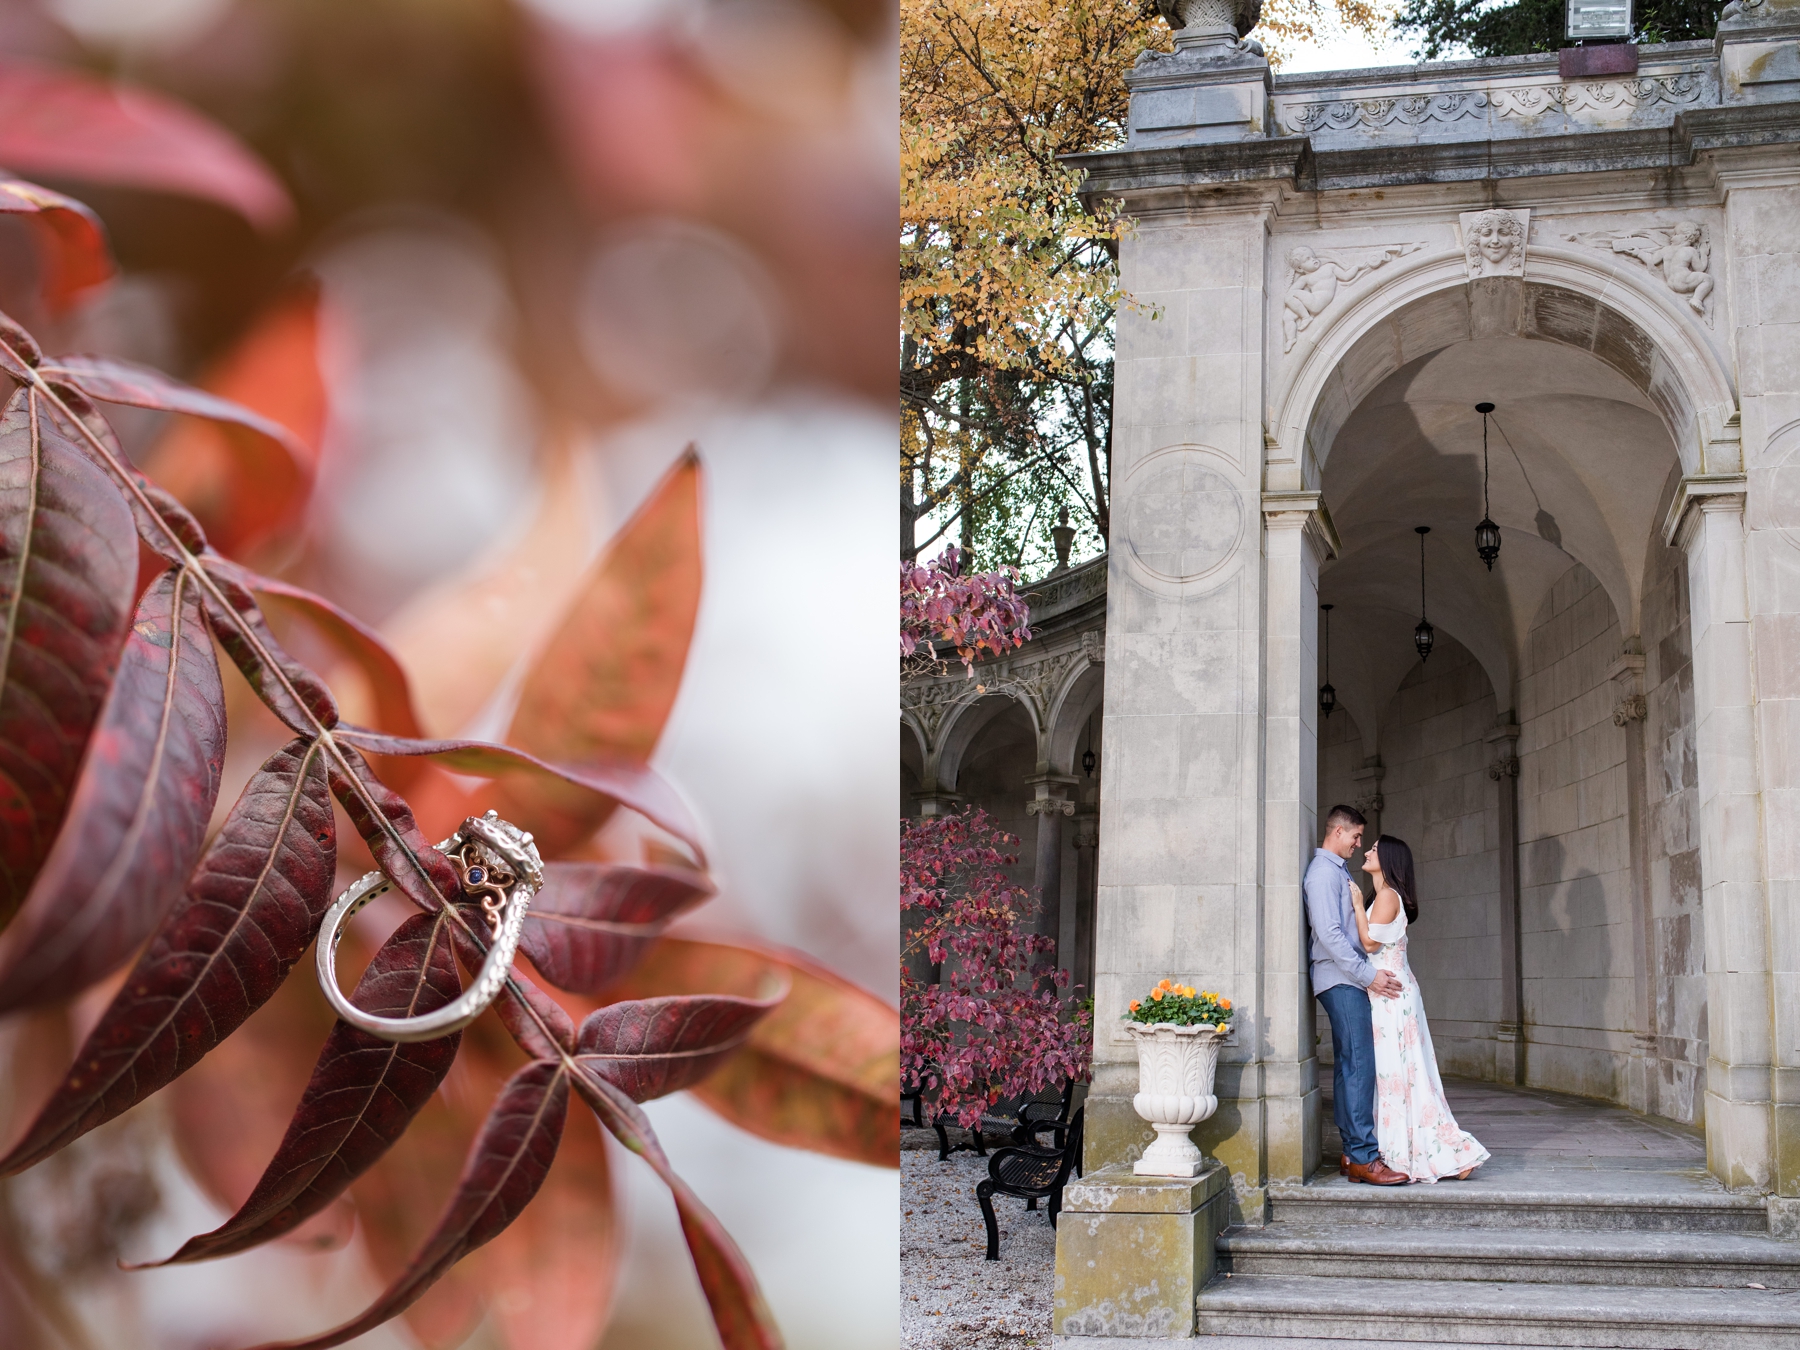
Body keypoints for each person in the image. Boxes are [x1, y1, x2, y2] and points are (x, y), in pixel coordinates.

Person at [1349, 834, 1490, 1183]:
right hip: (1389, 993)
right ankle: (1427, 1150)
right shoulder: (1384, 896)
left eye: (1375, 850)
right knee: (1401, 1073)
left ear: (1390, 860)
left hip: (1392, 996)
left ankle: (1444, 1152)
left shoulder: (1386, 895)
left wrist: (1354, 905)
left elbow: (1368, 942)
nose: (1367, 852)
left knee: (1401, 1073)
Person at [1304, 805, 1408, 1186]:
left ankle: (1352, 1154)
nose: (1359, 844)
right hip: (1342, 980)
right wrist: (1368, 976)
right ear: (1338, 831)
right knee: (1360, 1066)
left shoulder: (1335, 871)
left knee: (1352, 1066)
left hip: (1346, 979)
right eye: (1356, 836)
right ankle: (1365, 1157)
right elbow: (1330, 934)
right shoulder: (1321, 874)